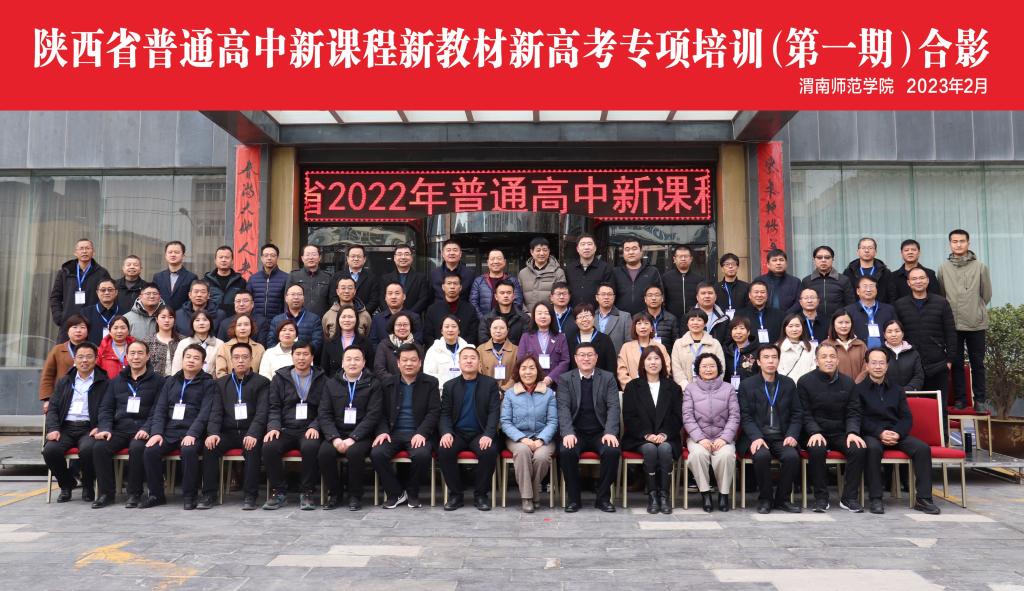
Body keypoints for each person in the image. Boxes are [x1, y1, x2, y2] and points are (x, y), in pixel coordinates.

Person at [857, 348, 941, 515]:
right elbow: (859, 418)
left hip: (896, 433)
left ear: (887, 366)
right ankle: (876, 498)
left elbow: (906, 418)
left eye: (882, 363)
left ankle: (924, 499)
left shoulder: (897, 389)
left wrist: (897, 433)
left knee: (922, 448)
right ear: (867, 366)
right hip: (872, 434)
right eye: (874, 363)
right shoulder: (858, 390)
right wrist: (880, 433)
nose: (878, 366)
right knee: (872, 449)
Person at [142, 344, 215, 509]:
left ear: (203, 363)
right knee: (150, 450)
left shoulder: (208, 383)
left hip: (192, 432)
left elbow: (205, 413)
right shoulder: (170, 381)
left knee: (189, 451)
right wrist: (156, 433)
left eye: (196, 358)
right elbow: (160, 409)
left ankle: (189, 496)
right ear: (182, 359)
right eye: (188, 357)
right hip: (169, 431)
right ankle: (156, 495)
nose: (191, 361)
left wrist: (192, 434)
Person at [93, 340, 165, 508]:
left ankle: (134, 493)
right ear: (126, 357)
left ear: (148, 356)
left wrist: (147, 428)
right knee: (99, 447)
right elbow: (106, 408)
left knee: (137, 447)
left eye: (140, 353)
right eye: (132, 353)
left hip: (143, 428)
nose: (136, 357)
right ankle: (106, 493)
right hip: (120, 428)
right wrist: (105, 428)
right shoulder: (115, 381)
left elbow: (158, 410)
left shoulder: (159, 381)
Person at [199, 342, 270, 510]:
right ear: (231, 359)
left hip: (250, 432)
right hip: (228, 432)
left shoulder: (262, 383)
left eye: (245, 357)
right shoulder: (221, 383)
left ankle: (250, 496)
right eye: (236, 357)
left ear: (251, 359)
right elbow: (216, 412)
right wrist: (212, 433)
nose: (240, 361)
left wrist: (253, 433)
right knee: (210, 446)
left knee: (252, 448)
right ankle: (209, 494)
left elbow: (262, 413)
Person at [798, 343, 867, 513]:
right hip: (815, 432)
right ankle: (821, 498)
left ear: (837, 360)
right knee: (817, 448)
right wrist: (814, 431)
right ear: (816, 361)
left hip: (840, 431)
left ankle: (849, 498)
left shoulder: (848, 382)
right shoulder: (805, 382)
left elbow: (853, 411)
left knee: (857, 448)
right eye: (824, 357)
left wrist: (852, 432)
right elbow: (804, 413)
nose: (828, 360)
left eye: (832, 357)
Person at [371, 343, 440, 509]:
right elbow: (379, 412)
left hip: (418, 433)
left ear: (420, 363)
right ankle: (395, 493)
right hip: (392, 433)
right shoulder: (387, 383)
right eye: (405, 360)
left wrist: (422, 433)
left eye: (413, 360)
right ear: (398, 363)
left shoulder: (430, 383)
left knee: (422, 455)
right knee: (377, 453)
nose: (409, 363)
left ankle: (412, 493)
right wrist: (382, 431)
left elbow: (434, 411)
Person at [738, 344, 803, 514]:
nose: (770, 361)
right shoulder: (747, 385)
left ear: (778, 360)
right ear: (759, 362)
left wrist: (792, 434)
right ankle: (765, 499)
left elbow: (797, 413)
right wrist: (756, 437)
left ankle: (782, 499)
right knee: (761, 456)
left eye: (774, 357)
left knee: (791, 456)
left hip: (782, 436)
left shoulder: (788, 383)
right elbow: (745, 416)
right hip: (758, 436)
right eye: (766, 357)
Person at [557, 343, 621, 513]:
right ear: (575, 358)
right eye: (582, 355)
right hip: (576, 432)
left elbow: (613, 407)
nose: (586, 358)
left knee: (612, 451)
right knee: (566, 451)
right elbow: (563, 408)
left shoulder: (607, 378)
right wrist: (568, 433)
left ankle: (603, 498)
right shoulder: (565, 379)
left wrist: (610, 432)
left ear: (596, 358)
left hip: (601, 431)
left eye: (590, 355)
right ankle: (574, 498)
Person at [262, 342, 326, 510]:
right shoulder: (280, 378)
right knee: (269, 446)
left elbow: (325, 409)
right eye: (297, 354)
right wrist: (274, 427)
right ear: (292, 356)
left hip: (309, 428)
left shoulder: (322, 379)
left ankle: (307, 492)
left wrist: (315, 426)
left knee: (311, 447)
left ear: (312, 357)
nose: (301, 358)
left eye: (305, 354)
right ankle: (279, 492)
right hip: (285, 428)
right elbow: (274, 406)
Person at [42, 341, 109, 503]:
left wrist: (100, 426)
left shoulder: (104, 382)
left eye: (89, 357)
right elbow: (53, 408)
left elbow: (108, 408)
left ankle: (88, 485)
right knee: (50, 450)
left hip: (89, 428)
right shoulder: (64, 381)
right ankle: (66, 484)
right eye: (80, 357)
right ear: (75, 360)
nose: (84, 360)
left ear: (96, 359)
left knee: (88, 450)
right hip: (65, 427)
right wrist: (53, 428)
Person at [318, 346, 383, 511]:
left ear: (364, 362)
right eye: (348, 359)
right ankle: (335, 494)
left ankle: (355, 495)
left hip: (362, 435)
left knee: (355, 453)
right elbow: (324, 414)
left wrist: (353, 438)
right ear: (342, 363)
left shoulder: (373, 384)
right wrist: (334, 438)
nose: (352, 363)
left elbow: (373, 415)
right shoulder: (331, 384)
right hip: (337, 433)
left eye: (357, 359)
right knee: (324, 453)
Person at [438, 347, 501, 511]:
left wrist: (488, 434)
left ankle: (481, 495)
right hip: (457, 433)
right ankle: (456, 495)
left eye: (473, 358)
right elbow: (444, 413)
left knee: (488, 451)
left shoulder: (490, 384)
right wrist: (446, 432)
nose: (469, 361)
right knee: (445, 449)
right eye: (465, 358)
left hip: (480, 433)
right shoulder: (450, 386)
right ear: (459, 363)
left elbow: (494, 412)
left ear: (479, 362)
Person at [622, 347, 683, 515]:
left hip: (667, 437)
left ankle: (664, 496)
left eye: (657, 358)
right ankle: (652, 496)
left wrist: (664, 434)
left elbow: (677, 417)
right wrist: (647, 435)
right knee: (649, 449)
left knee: (665, 449)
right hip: (640, 437)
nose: (653, 362)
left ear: (663, 362)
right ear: (643, 363)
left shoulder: (673, 387)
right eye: (649, 359)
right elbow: (629, 417)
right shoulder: (633, 387)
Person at [938, 229, 993, 412]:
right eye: (955, 241)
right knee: (956, 364)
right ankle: (960, 399)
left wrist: (975, 308)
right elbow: (942, 294)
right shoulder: (943, 268)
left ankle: (980, 399)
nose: (958, 244)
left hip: (975, 322)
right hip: (952, 324)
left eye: (962, 241)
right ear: (950, 244)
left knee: (978, 363)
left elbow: (986, 294)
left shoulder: (980, 267)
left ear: (968, 243)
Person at [500, 355, 559, 513]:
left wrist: (541, 440)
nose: (528, 372)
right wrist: (523, 439)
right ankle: (527, 497)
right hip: (517, 438)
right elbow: (505, 422)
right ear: (518, 371)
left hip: (543, 438)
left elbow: (553, 421)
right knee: (522, 451)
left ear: (537, 371)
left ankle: (533, 494)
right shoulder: (510, 394)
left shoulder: (548, 393)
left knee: (541, 457)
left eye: (532, 368)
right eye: (524, 368)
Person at [682, 352, 740, 512]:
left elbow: (734, 416)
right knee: (697, 455)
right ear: (698, 369)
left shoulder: (728, 388)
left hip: (723, 437)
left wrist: (725, 438)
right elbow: (687, 416)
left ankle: (723, 494)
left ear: (718, 368)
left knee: (726, 455)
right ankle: (705, 493)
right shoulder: (690, 389)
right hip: (698, 438)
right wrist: (700, 438)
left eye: (712, 366)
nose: (708, 369)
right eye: (704, 366)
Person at [894, 267, 958, 401]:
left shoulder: (941, 302)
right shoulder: (900, 305)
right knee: (912, 405)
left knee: (939, 406)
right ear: (908, 283)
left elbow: (950, 332)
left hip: (937, 364)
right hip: (910, 365)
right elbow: (896, 334)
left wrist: (950, 361)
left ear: (928, 280)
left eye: (922, 278)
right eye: (914, 279)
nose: (918, 281)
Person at [49, 238, 111, 335]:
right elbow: (55, 297)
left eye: (87, 248)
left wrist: (101, 317)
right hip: (69, 323)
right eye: (81, 248)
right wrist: (59, 317)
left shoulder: (102, 273)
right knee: (66, 345)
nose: (84, 251)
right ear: (75, 253)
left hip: (93, 323)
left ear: (93, 252)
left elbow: (108, 297)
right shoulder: (65, 272)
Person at [40, 315, 90, 409]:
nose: (78, 330)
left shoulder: (94, 350)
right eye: (74, 327)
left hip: (87, 397)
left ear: (88, 331)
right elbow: (48, 375)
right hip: (61, 396)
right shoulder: (57, 350)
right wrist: (47, 399)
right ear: (67, 331)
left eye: (82, 327)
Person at [518, 302, 571, 388]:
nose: (543, 316)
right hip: (531, 383)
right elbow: (520, 360)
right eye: (539, 313)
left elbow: (565, 361)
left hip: (555, 384)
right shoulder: (526, 337)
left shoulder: (560, 337)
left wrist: (550, 378)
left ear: (551, 316)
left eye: (546, 313)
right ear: (534, 316)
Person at [671, 310, 725, 389]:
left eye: (699, 320)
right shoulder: (679, 344)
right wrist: (687, 387)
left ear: (705, 323)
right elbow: (676, 369)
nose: (695, 323)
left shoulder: (714, 343)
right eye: (692, 320)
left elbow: (721, 367)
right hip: (685, 390)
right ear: (687, 323)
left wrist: (710, 387)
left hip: (710, 390)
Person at [423, 274, 479, 348]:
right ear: (443, 287)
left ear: (460, 287)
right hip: (438, 351)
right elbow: (428, 335)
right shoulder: (432, 309)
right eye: (449, 283)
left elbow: (473, 335)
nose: (452, 287)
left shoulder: (470, 309)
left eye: (455, 283)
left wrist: (462, 349)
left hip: (464, 351)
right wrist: (440, 348)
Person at [617, 312, 671, 389]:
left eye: (646, 323)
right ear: (634, 328)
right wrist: (632, 388)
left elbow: (666, 368)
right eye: (639, 323)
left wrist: (655, 385)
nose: (643, 327)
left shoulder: (660, 347)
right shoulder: (626, 348)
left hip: (656, 388)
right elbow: (621, 371)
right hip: (634, 390)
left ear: (652, 328)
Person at [801, 246, 855, 320]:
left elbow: (850, 304)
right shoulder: (807, 281)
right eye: (819, 257)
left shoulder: (843, 280)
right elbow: (802, 304)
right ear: (814, 260)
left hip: (837, 322)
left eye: (827, 257)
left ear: (832, 259)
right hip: (814, 321)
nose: (823, 260)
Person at [268, 285, 324, 355]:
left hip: (304, 359)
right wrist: (284, 355)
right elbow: (271, 342)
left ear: (303, 298)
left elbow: (317, 343)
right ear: (286, 298)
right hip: (281, 358)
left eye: (299, 294)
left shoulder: (314, 319)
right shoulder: (277, 320)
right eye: (293, 294)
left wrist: (301, 355)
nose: (296, 297)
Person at [612, 239, 662, 315]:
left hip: (646, 318)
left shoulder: (652, 271)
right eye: (627, 249)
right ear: (623, 253)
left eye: (634, 249)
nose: (631, 252)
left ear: (641, 251)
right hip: (621, 318)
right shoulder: (615, 272)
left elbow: (660, 295)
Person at [321, 305, 375, 377]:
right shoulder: (329, 343)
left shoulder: (366, 342)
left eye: (350, 317)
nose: (347, 320)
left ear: (356, 320)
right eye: (343, 317)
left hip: (361, 382)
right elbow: (324, 369)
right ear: (338, 320)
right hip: (334, 382)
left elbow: (371, 368)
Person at [563, 303, 617, 375]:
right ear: (575, 321)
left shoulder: (605, 339)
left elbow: (611, 365)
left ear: (594, 317)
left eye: (587, 316)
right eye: (580, 317)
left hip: (600, 379)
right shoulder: (570, 339)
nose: (584, 319)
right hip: (576, 380)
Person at [470, 248, 525, 318]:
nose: (496, 261)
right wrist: (484, 320)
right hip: (484, 321)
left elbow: (518, 303)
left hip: (509, 321)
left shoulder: (513, 281)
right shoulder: (479, 281)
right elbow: (473, 303)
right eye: (492, 259)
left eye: (499, 258)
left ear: (504, 262)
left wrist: (507, 320)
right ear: (488, 262)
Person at [846, 275, 897, 350]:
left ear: (876, 290)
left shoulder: (888, 310)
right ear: (858, 291)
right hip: (858, 351)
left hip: (886, 352)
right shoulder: (848, 311)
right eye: (865, 286)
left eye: (871, 286)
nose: (868, 290)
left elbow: (896, 330)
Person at [423, 315, 472, 392]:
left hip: (465, 391)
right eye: (446, 326)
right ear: (441, 331)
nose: (450, 329)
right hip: (442, 392)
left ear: (459, 330)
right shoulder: (433, 350)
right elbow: (429, 375)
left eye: (454, 326)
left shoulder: (468, 349)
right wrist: (448, 386)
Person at [380, 244, 432, 315]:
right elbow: (382, 299)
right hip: (390, 318)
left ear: (412, 257)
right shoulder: (385, 278)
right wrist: (392, 314)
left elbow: (423, 300)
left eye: (406, 254)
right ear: (394, 258)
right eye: (399, 254)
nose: (403, 257)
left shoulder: (421, 278)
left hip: (413, 318)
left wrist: (408, 315)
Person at [247, 243, 289, 330]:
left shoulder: (286, 278)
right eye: (266, 255)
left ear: (277, 258)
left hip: (278, 324)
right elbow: (248, 301)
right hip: (256, 324)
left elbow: (287, 304)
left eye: (272, 255)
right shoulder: (253, 279)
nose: (269, 258)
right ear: (261, 258)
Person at [369, 282, 423, 350]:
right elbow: (373, 343)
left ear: (404, 296)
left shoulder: (414, 317)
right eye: (390, 293)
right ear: (385, 297)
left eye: (397, 293)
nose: (393, 297)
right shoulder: (377, 319)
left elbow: (417, 341)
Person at [519, 237, 567, 311]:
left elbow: (561, 296)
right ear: (531, 252)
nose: (542, 253)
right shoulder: (523, 273)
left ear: (549, 251)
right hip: (528, 315)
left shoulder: (558, 272)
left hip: (550, 315)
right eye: (538, 250)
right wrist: (526, 313)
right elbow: (518, 296)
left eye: (545, 250)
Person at [565, 233, 613, 308]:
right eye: (583, 244)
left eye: (589, 244)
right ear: (577, 249)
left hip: (597, 313)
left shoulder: (605, 268)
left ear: (595, 248)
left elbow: (609, 293)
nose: (586, 247)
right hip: (574, 312)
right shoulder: (569, 269)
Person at [331, 244, 381, 315]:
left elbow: (374, 300)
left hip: (364, 316)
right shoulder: (337, 276)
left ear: (364, 259)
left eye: (359, 256)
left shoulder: (372, 278)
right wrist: (342, 313)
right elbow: (333, 297)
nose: (356, 259)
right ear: (347, 258)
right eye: (353, 256)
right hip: (341, 317)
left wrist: (362, 313)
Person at [476, 280, 530, 345]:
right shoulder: (486, 319)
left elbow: (527, 342)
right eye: (502, 293)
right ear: (496, 296)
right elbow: (484, 342)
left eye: (509, 293)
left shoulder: (524, 318)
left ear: (513, 296)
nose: (505, 295)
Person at [843, 237, 895, 304]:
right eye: (863, 248)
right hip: (855, 309)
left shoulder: (885, 272)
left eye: (870, 248)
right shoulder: (849, 272)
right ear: (858, 252)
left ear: (875, 252)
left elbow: (891, 295)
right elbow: (845, 295)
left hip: (879, 309)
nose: (867, 250)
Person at [170, 311, 223, 375]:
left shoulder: (219, 344)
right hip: (187, 380)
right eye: (197, 320)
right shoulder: (184, 343)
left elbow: (221, 370)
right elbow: (176, 368)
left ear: (210, 323)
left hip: (211, 380)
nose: (201, 323)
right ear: (192, 324)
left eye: (205, 320)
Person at [213, 314, 266, 379]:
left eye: (246, 324)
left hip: (255, 384)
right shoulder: (224, 347)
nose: (243, 328)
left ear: (251, 327)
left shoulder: (260, 348)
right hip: (229, 384)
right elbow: (220, 372)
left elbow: (263, 372)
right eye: (239, 325)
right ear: (234, 328)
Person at [287, 244, 333, 317]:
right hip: (298, 319)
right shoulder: (294, 276)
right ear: (302, 258)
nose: (311, 257)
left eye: (314, 254)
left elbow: (331, 301)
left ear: (319, 257)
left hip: (321, 319)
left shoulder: (328, 277)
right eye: (307, 255)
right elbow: (287, 300)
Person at [823, 310, 868, 382]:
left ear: (851, 324)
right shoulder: (825, 345)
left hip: (858, 386)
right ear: (833, 324)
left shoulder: (861, 345)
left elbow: (866, 368)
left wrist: (857, 384)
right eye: (840, 322)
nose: (844, 326)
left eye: (847, 322)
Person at [152, 240, 197, 311]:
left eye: (176, 252)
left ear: (183, 256)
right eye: (170, 252)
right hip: (162, 315)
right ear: (165, 256)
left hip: (183, 315)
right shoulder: (158, 277)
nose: (173, 255)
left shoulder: (191, 277)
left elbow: (192, 300)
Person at [736, 280, 785, 345]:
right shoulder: (740, 315)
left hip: (773, 350)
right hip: (750, 350)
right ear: (749, 295)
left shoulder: (779, 315)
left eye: (762, 292)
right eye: (756, 292)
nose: (759, 295)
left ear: (767, 295)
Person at [663, 245, 704, 321]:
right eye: (680, 256)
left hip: (694, 320)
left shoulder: (699, 279)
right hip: (671, 320)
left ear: (691, 259)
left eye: (686, 256)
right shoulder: (666, 278)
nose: (683, 259)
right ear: (674, 259)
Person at [477, 316, 519, 392]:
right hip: (486, 391)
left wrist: (504, 389)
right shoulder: (480, 349)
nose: (498, 331)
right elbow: (478, 373)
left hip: (510, 393)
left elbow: (517, 374)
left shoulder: (516, 350)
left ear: (507, 330)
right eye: (495, 328)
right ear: (490, 329)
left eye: (502, 328)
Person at [882, 320, 925, 391]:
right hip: (885, 393)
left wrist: (908, 389)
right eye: (889, 332)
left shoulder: (913, 353)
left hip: (909, 394)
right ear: (884, 335)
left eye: (897, 331)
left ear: (902, 333)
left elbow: (918, 376)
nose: (893, 334)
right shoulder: (879, 353)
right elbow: (876, 374)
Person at [373, 312, 418, 379]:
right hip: (389, 384)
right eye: (399, 325)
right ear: (393, 327)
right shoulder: (384, 345)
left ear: (411, 327)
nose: (402, 328)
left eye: (405, 325)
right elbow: (379, 369)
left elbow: (420, 369)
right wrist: (396, 382)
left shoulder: (417, 346)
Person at [754, 248, 802, 313]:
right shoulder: (759, 281)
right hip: (764, 317)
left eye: (781, 260)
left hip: (789, 317)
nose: (778, 263)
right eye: (774, 260)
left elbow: (799, 303)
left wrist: (786, 316)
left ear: (786, 264)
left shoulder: (795, 282)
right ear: (768, 264)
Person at [430, 238, 476, 303]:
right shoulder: (434, 274)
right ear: (443, 254)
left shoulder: (470, 274)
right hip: (439, 308)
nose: (451, 253)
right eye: (448, 250)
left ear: (460, 254)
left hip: (462, 308)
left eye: (455, 250)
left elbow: (472, 298)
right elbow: (430, 297)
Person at [205, 246, 246, 316]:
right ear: (215, 260)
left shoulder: (241, 282)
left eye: (227, 257)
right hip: (211, 319)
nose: (223, 260)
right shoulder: (206, 281)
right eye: (220, 257)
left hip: (234, 319)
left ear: (232, 261)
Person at [776, 314, 816, 383]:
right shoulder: (777, 348)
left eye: (797, 326)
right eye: (790, 326)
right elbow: (779, 370)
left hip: (807, 385)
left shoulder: (811, 347)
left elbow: (813, 368)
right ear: (784, 328)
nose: (794, 329)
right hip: (787, 385)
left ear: (802, 327)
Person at [82, 278, 122, 346]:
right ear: (97, 292)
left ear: (116, 292)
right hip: (93, 350)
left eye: (110, 290)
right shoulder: (86, 312)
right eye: (103, 290)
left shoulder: (124, 313)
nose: (106, 293)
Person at [142, 306, 180, 376]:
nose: (167, 320)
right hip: (154, 380)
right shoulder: (147, 341)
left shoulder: (182, 341)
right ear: (156, 319)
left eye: (170, 317)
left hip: (177, 380)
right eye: (163, 317)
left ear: (174, 320)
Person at [594, 282, 633, 351]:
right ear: (597, 297)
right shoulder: (591, 317)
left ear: (614, 297)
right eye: (603, 294)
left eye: (609, 294)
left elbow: (630, 343)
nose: (606, 297)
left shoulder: (625, 317)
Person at [642, 285, 680, 351]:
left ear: (662, 298)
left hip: (666, 355)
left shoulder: (671, 319)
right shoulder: (639, 318)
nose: (653, 298)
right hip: (643, 355)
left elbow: (676, 343)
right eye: (650, 295)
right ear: (645, 299)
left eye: (657, 295)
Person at [714, 253, 749, 318]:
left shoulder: (746, 287)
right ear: (722, 269)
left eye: (733, 264)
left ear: (737, 267)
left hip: (740, 321)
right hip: (721, 321)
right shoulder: (715, 288)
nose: (730, 267)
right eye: (727, 264)